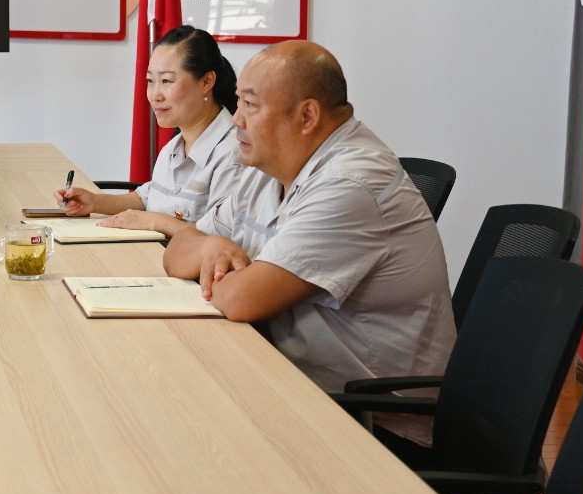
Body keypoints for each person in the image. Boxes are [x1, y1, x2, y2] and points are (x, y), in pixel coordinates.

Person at [163, 41, 455, 443]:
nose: (236, 121)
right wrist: (211, 248)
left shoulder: (351, 184)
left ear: (307, 116)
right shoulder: (266, 166)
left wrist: (219, 267)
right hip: (299, 384)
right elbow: (178, 251)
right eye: (239, 102)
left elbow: (240, 300)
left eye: (250, 105)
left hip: (374, 424)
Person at [57, 26, 240, 238]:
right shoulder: (175, 145)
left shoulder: (233, 155)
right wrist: (95, 202)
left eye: (166, 81)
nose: (155, 96)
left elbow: (220, 243)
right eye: (151, 81)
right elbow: (149, 196)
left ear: (206, 82)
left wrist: (153, 221)